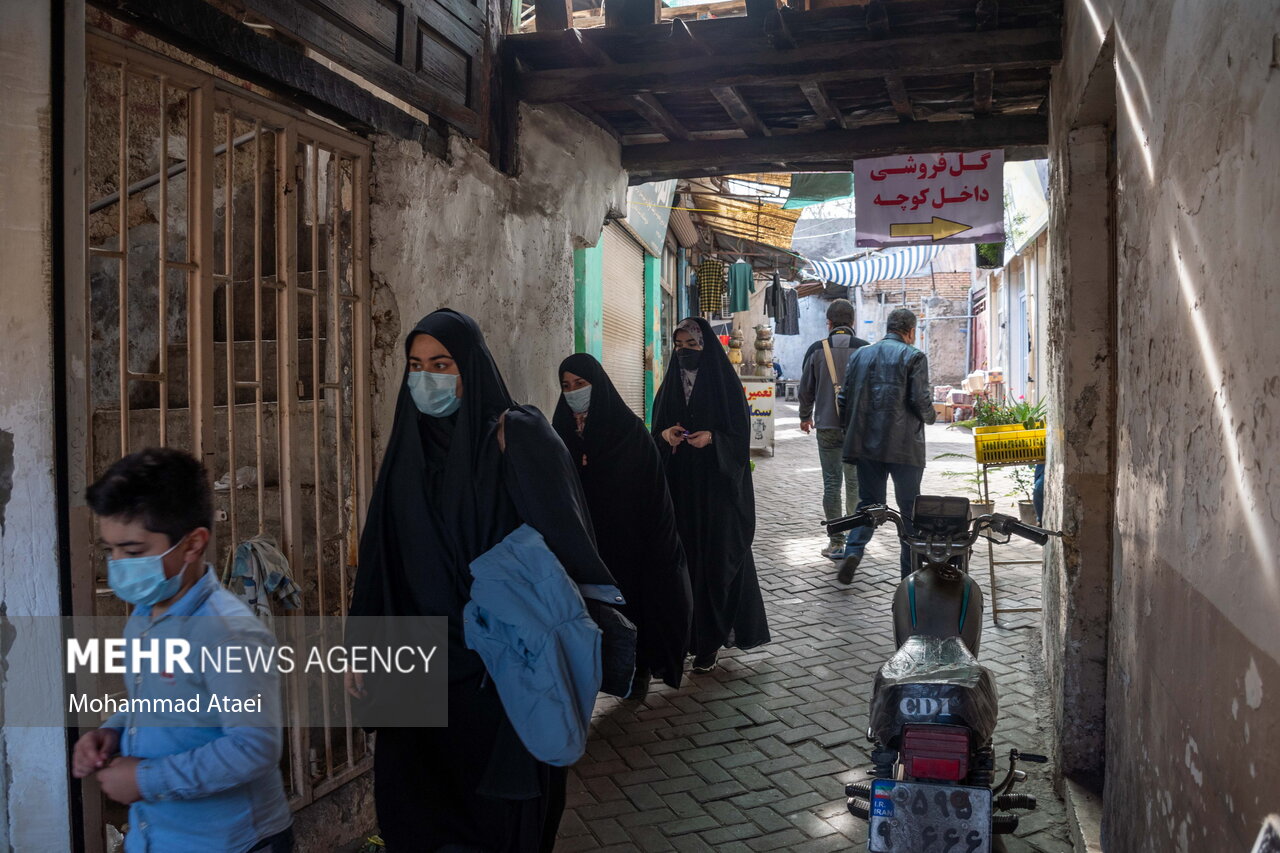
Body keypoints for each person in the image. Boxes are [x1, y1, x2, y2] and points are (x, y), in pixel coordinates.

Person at [348, 309, 621, 852]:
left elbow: (569, 546)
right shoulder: (408, 448)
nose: (427, 378)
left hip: (501, 670)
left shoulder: (518, 437)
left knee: (502, 820)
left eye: (443, 363)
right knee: (415, 814)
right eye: (416, 365)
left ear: (470, 366)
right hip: (417, 669)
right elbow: (382, 555)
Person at [72, 448, 293, 853]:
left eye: (133, 551)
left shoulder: (228, 633)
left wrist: (146, 780)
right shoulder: (144, 617)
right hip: (161, 837)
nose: (117, 565)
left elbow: (254, 746)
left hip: (234, 842)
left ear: (192, 544)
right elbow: (161, 700)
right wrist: (114, 731)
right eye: (111, 550)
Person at [553, 353, 693, 700]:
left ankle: (638, 669)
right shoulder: (560, 433)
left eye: (580, 384)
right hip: (585, 546)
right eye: (566, 386)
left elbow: (651, 492)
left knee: (633, 608)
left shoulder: (628, 432)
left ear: (597, 385)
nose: (573, 392)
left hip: (629, 542)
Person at [651, 317, 770, 673]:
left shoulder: (726, 388)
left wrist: (713, 439)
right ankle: (687, 637)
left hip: (717, 495)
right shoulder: (670, 386)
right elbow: (656, 430)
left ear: (707, 348)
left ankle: (710, 641)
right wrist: (665, 435)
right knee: (681, 565)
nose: (684, 352)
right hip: (679, 493)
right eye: (679, 346)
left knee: (716, 564)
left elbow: (739, 439)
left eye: (693, 345)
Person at [837, 307, 937, 584]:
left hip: (866, 444)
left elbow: (843, 400)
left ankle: (853, 552)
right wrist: (931, 416)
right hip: (905, 447)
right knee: (909, 511)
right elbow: (920, 400)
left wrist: (852, 430)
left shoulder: (860, 355)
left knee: (868, 504)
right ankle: (909, 574)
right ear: (910, 331)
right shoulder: (913, 356)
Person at [798, 298, 870, 559]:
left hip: (826, 425)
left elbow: (805, 390)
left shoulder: (817, 349)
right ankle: (854, 541)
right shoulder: (865, 350)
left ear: (828, 322)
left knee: (831, 483)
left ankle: (836, 542)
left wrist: (805, 416)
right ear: (852, 322)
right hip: (857, 428)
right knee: (854, 484)